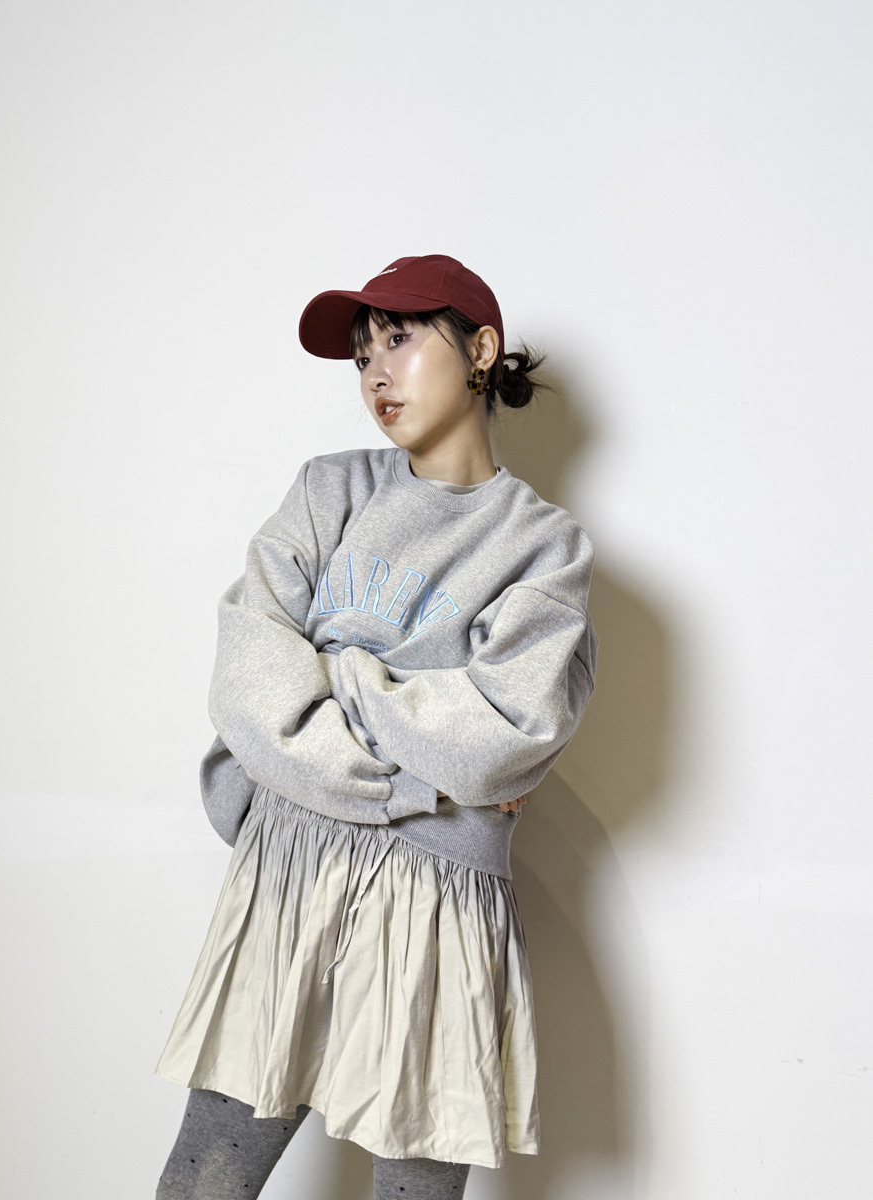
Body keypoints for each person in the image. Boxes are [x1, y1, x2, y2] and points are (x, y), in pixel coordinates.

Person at [153, 253, 599, 1199]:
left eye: (399, 339)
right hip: (292, 866)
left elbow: (507, 732)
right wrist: (423, 775)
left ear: (481, 350)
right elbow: (248, 672)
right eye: (362, 356)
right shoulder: (329, 491)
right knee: (204, 1182)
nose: (376, 375)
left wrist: (337, 670)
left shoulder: (544, 547)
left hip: (439, 899)